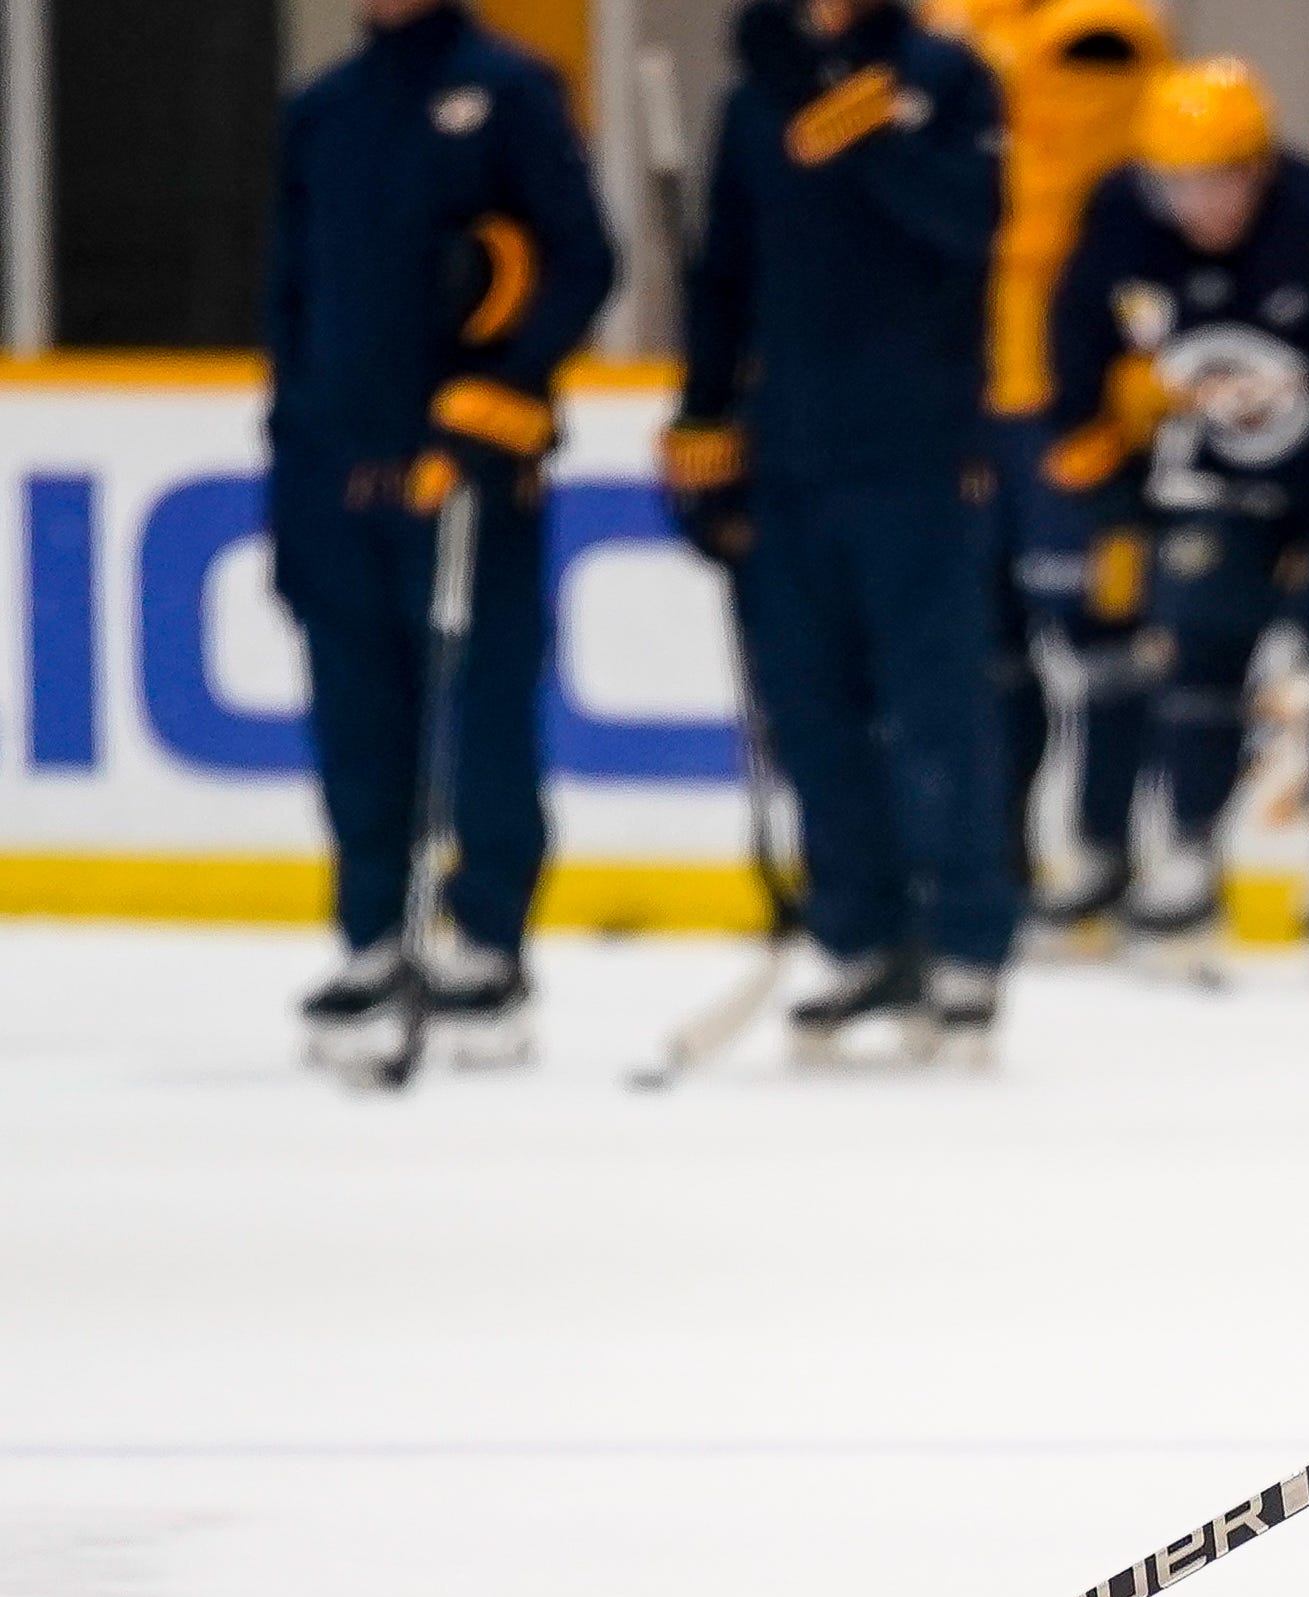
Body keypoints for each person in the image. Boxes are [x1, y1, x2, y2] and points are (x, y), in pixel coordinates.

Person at [266, 0, 615, 1070]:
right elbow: (290, 300)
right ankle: (377, 932)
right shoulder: (324, 109)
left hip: (463, 472)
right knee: (358, 714)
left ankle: (487, 940)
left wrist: (505, 393)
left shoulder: (508, 88)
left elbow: (584, 258)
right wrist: (290, 461)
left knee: (481, 708)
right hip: (339, 471)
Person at [667, 0, 1018, 1064]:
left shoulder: (948, 79)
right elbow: (720, 274)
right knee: (809, 715)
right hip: (788, 460)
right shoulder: (751, 92)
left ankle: (964, 943)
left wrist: (873, 137)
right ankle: (861, 938)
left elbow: (972, 224)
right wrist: (703, 417)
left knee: (934, 709)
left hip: (917, 458)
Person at [1044, 57, 1309, 969]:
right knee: (1201, 649)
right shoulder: (1122, 216)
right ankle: (1188, 851)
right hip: (1213, 483)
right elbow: (1076, 320)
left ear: (1258, 166)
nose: (1194, 203)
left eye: (1214, 179)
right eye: (1174, 181)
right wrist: (1086, 425)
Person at [961, 0, 1171, 941]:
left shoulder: (1106, 32)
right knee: (994, 652)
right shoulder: (951, 35)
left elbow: (1112, 217)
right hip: (977, 394)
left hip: (1069, 402)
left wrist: (1119, 390)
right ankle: (998, 857)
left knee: (1100, 645)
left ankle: (1102, 852)